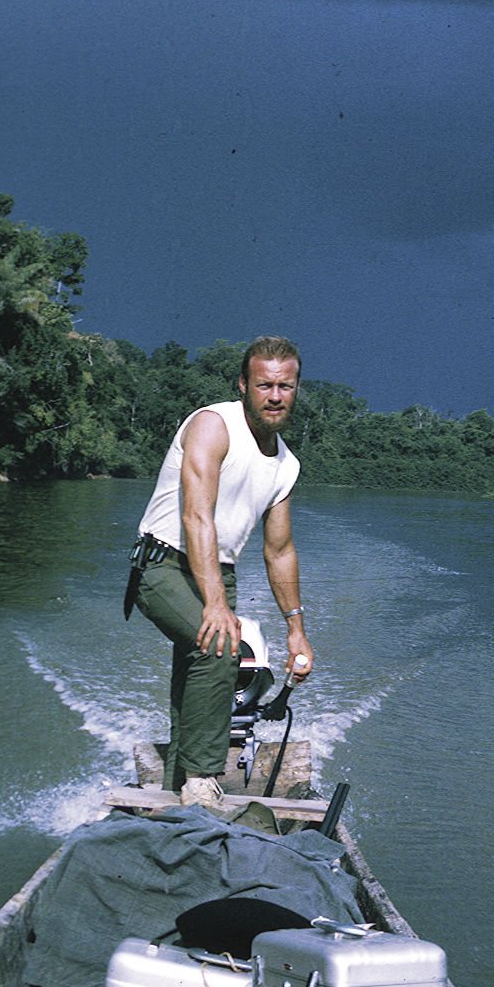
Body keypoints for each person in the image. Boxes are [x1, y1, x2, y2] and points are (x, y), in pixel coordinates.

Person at [125, 336, 313, 810]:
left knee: (194, 678)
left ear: (295, 389)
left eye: (285, 386)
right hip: (163, 564)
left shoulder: (285, 465)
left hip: (218, 570)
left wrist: (297, 632)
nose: (275, 396)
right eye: (265, 385)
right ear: (244, 385)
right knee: (219, 646)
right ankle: (203, 785)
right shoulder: (213, 425)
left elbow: (280, 550)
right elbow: (196, 517)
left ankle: (174, 798)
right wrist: (214, 605)